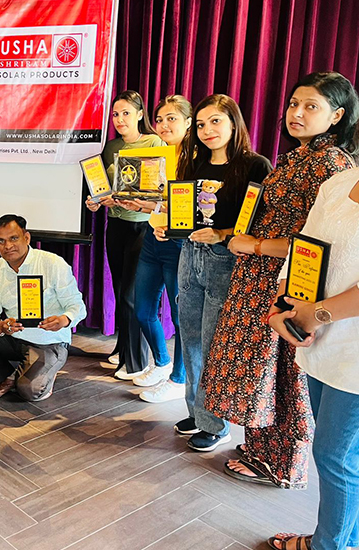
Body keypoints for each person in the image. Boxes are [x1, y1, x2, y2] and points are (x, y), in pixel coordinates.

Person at [202, 72, 358, 488]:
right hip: (262, 277)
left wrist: (254, 246)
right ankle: (260, 450)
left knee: (285, 374)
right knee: (263, 373)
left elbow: (314, 243)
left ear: (337, 115)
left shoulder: (332, 164)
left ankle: (283, 463)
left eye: (311, 106)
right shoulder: (299, 156)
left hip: (289, 281)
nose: (297, 113)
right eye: (293, 104)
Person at [157, 94, 272, 453]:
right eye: (201, 124)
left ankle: (215, 425)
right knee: (189, 339)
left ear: (234, 123)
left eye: (216, 121)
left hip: (226, 261)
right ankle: (197, 413)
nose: (208, 130)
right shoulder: (193, 164)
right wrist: (168, 228)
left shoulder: (254, 165)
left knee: (212, 344)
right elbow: (185, 214)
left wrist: (222, 234)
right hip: (189, 255)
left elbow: (262, 221)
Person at [265, 167, 359, 550]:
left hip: (352, 355)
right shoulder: (339, 182)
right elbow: (304, 250)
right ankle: (346, 538)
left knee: (334, 456)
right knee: (346, 457)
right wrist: (282, 305)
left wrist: (316, 314)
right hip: (320, 343)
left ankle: (327, 545)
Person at [86, 90, 163, 380]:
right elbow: (104, 188)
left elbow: (156, 189)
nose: (120, 119)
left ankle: (136, 363)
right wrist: (97, 201)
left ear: (140, 114)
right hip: (115, 225)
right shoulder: (111, 147)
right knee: (121, 291)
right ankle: (123, 349)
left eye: (126, 113)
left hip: (142, 227)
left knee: (133, 296)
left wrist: (123, 198)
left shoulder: (153, 142)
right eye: (116, 114)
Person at [0, 215, 86, 401]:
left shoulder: (53, 264)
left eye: (13, 238)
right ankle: (8, 378)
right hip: (14, 339)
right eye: (1, 241)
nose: (8, 246)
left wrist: (63, 320)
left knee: (30, 391)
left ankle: (29, 377)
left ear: (27, 238)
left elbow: (78, 307)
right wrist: (1, 326)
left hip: (48, 342)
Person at [124, 95, 192, 403]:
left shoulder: (195, 160)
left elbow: (194, 207)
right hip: (153, 237)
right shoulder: (157, 156)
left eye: (172, 119)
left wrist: (168, 220)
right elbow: (157, 200)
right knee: (142, 310)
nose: (164, 125)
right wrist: (137, 204)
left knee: (180, 317)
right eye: (160, 119)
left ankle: (179, 379)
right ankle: (162, 362)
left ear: (188, 122)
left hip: (180, 244)